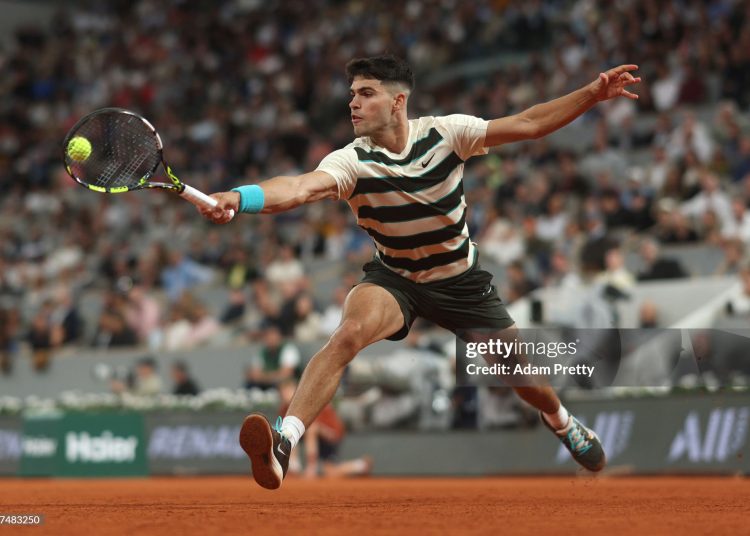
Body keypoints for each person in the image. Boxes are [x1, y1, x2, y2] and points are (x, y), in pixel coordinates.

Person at [200, 55, 641, 489]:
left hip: (461, 284)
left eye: (366, 94)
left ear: (397, 102)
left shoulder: (447, 134)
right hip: (397, 280)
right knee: (349, 333)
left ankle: (562, 422)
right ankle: (285, 440)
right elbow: (298, 188)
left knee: (525, 381)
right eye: (352, 94)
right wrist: (239, 198)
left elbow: (528, 124)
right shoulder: (351, 161)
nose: (353, 104)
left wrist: (591, 94)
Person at [278, 378, 372, 479]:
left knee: (310, 428)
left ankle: (311, 468)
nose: (285, 394)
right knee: (330, 472)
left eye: (288, 390)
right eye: (283, 391)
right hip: (316, 437)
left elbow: (316, 427)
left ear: (296, 391)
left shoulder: (306, 403)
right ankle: (361, 465)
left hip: (331, 434)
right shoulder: (284, 408)